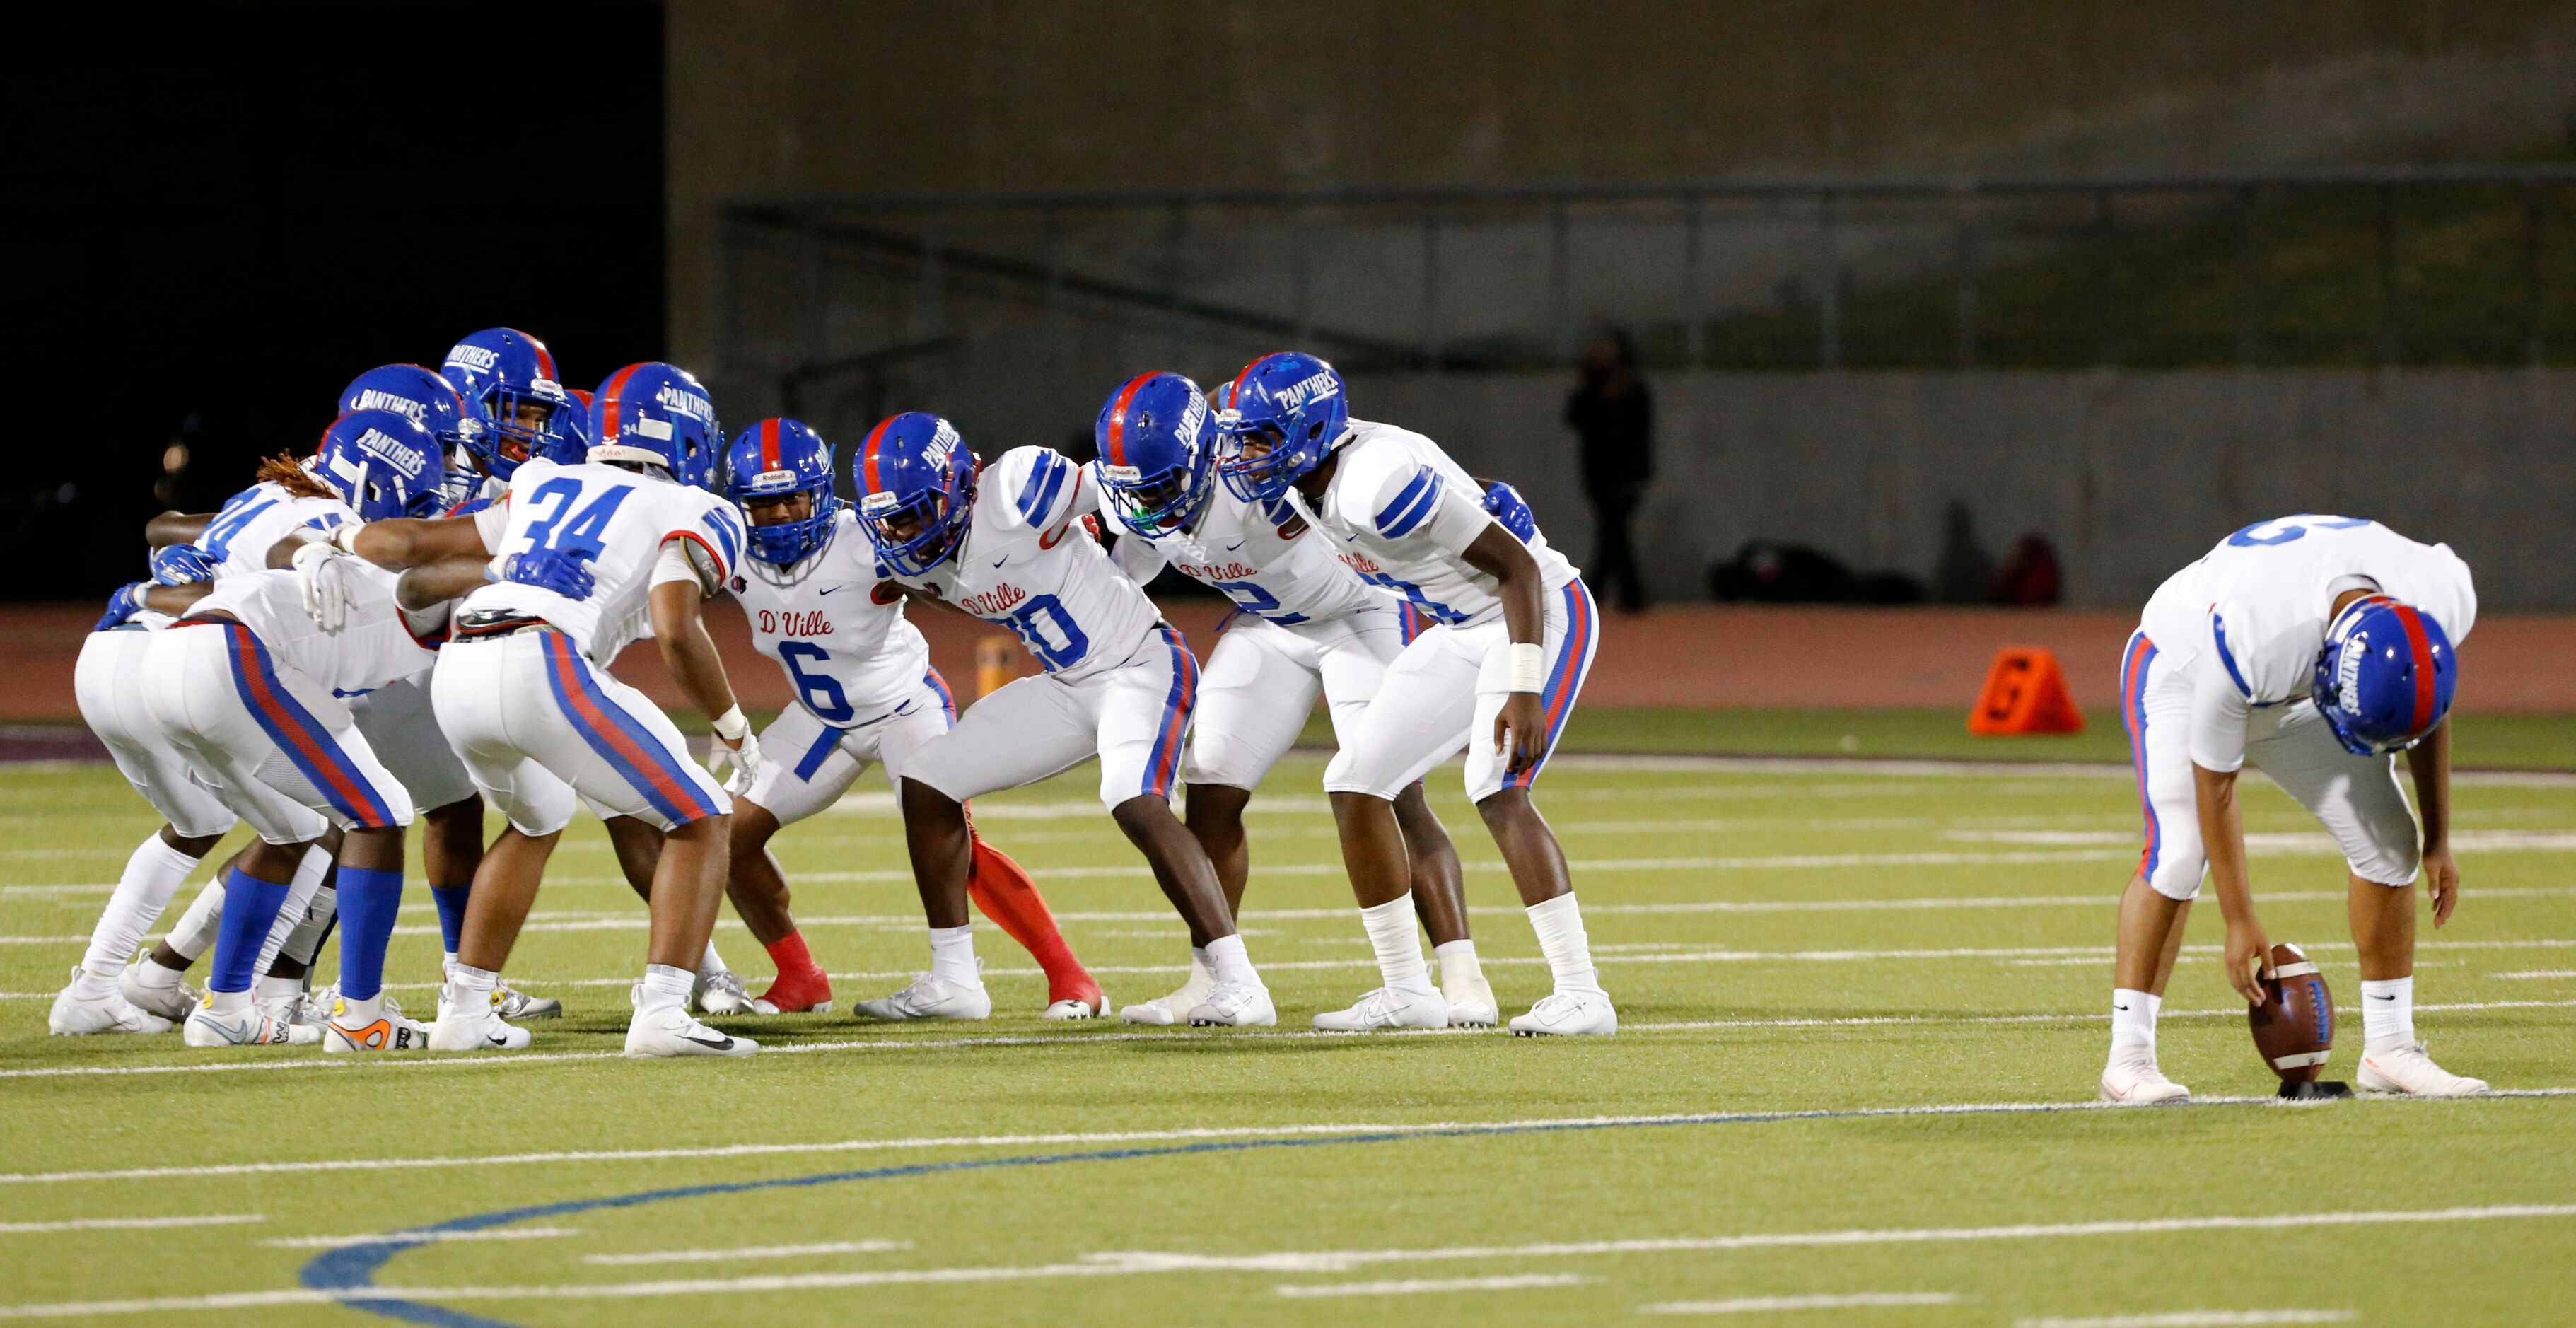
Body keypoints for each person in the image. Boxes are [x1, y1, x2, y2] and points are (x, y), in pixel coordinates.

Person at [318, 361, 762, 1057]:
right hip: (547, 664)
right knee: (702, 815)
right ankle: (666, 1014)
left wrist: (333, 538)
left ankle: (465, 1012)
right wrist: (732, 724)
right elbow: (676, 624)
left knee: (536, 818)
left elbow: (409, 554)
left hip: (461, 668)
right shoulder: (699, 508)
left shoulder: (542, 479)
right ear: (687, 439)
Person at [1216, 353, 1614, 1036]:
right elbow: (1457, 491)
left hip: (1534, 610)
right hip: (1462, 625)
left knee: (1495, 786)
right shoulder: (1315, 472)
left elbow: (1516, 567)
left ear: (1310, 430)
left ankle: (1583, 994)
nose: (1246, 454)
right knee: (1354, 780)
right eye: (1243, 438)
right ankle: (1408, 990)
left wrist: (1523, 686)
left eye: (1260, 438)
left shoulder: (1374, 482)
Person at [1087, 370, 1493, 1029]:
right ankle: (1214, 978)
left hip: (1362, 617)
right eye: (1134, 489)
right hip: (1270, 629)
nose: (1148, 501)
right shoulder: (1137, 485)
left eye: (1162, 484)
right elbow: (1124, 567)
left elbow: (1361, 457)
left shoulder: (1259, 472)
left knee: (1393, 791)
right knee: (1210, 787)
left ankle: (1458, 971)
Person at [853, 412, 1275, 1027]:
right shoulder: (912, 556)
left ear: (956, 483)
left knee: (1134, 798)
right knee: (926, 782)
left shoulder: (1017, 486)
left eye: (916, 512)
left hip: (1140, 661)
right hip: (1068, 685)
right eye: (892, 519)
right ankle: (954, 980)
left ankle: (1240, 983)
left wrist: (1131, 555)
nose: (905, 532)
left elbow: (1128, 487)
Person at [713, 417, 1104, 1018]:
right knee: (726, 837)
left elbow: (964, 576)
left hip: (903, 707)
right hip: (819, 720)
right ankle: (799, 978)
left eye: (795, 498)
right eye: (764, 505)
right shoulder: (726, 546)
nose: (783, 517)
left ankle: (1070, 978)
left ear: (822, 491)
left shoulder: (865, 539)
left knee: (954, 846)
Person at [2099, 515, 2485, 1103]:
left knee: (2390, 844)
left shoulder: (2438, 594)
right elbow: (2216, 784)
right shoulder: (2258, 634)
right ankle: (2127, 1059)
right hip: (2183, 668)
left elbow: (2425, 704)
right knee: (2178, 853)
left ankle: (2390, 1047)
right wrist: (2239, 918)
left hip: (2295, 682)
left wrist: (2436, 838)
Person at [1563, 332, 1651, 613]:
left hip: (1627, 475)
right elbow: (1573, 418)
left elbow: (1642, 433)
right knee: (1614, 533)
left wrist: (1640, 473)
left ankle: (1601, 594)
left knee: (1614, 533)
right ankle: (1626, 596)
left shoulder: (1633, 387)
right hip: (1598, 475)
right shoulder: (1590, 387)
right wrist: (1585, 387)